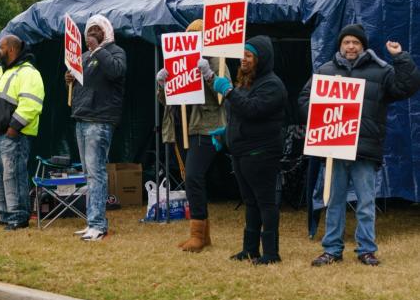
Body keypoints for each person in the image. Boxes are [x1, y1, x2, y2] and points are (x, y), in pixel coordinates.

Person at [299, 24, 420, 267]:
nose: (351, 46)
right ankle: (332, 249)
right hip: (334, 148)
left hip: (365, 149)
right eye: (347, 42)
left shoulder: (380, 71)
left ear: (363, 46)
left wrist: (400, 57)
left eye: (356, 42)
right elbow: (304, 99)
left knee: (365, 203)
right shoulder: (325, 70)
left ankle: (366, 250)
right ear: (340, 45)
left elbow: (407, 87)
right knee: (333, 202)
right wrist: (319, 118)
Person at [210, 35, 287, 265]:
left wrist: (229, 92)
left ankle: (271, 253)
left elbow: (252, 109)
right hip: (242, 151)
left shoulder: (272, 85)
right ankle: (250, 249)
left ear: (261, 59)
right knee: (250, 201)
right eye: (242, 54)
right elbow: (240, 115)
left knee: (265, 202)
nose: (243, 59)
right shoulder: (247, 82)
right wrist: (225, 133)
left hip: (261, 152)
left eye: (249, 55)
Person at [155, 19, 229, 252]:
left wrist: (207, 74)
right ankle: (202, 235)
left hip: (207, 127)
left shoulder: (217, 59)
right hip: (185, 128)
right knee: (192, 178)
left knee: (194, 177)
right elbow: (167, 100)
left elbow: (223, 95)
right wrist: (162, 84)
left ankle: (198, 234)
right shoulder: (180, 60)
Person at [0, 35, 44, 231]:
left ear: (11, 50)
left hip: (13, 135)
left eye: (1, 48)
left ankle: (19, 216)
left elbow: (31, 105)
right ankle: (3, 214)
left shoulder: (28, 73)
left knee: (14, 176)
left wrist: (13, 128)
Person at [65, 14, 126, 242]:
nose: (92, 34)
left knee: (96, 172)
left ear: (106, 32)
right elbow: (85, 86)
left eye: (97, 30)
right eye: (89, 30)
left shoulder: (116, 52)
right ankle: (92, 221)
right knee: (89, 174)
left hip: (100, 120)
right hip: (82, 118)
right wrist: (70, 80)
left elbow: (116, 71)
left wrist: (98, 49)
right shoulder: (84, 57)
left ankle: (98, 224)